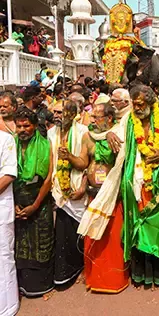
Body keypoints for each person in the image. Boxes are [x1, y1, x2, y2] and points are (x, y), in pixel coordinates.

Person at [65, 103, 130, 293]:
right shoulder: (88, 137)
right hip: (94, 194)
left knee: (111, 239)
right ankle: (94, 277)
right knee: (92, 236)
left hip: (112, 195)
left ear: (109, 119)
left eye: (96, 117)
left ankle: (114, 280)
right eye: (92, 117)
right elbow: (83, 163)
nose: (91, 121)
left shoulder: (120, 134)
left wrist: (110, 134)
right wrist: (69, 156)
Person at [119, 85, 159, 290]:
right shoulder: (127, 120)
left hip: (158, 181)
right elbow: (115, 135)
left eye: (141, 104)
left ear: (151, 104)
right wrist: (108, 135)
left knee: (155, 227)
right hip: (135, 180)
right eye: (134, 104)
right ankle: (140, 274)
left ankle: (158, 274)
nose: (137, 107)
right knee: (137, 226)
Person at [13, 107, 54, 298]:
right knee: (21, 243)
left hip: (39, 203)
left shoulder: (46, 145)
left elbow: (48, 179)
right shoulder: (9, 146)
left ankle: (41, 285)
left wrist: (35, 205)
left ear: (35, 126)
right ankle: (22, 284)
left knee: (41, 243)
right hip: (17, 203)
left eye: (26, 126)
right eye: (19, 126)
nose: (22, 129)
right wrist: (13, 204)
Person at [48, 100, 88, 286]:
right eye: (54, 112)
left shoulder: (82, 132)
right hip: (59, 190)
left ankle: (83, 267)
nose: (55, 116)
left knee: (78, 230)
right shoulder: (51, 133)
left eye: (59, 112)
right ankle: (65, 273)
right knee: (63, 231)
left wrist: (69, 157)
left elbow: (85, 164)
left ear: (72, 114)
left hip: (77, 188)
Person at [0, 128, 19, 316]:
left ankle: (7, 308)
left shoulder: (5, 140)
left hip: (1, 208)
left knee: (3, 258)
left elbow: (8, 175)